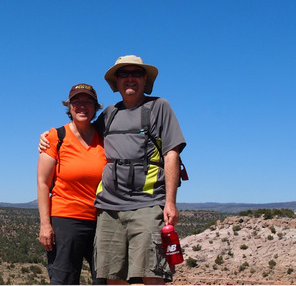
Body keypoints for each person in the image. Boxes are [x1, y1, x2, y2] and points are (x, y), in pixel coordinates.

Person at [39, 56, 186, 285]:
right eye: (123, 74)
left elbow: (171, 154)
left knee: (152, 273)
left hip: (146, 204)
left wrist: (170, 202)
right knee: (111, 276)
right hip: (109, 210)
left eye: (136, 73)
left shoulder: (159, 107)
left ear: (144, 78)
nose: (130, 78)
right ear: (115, 81)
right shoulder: (110, 114)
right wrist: (48, 136)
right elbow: (80, 129)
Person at [37, 84, 106, 284]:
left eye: (88, 102)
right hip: (66, 219)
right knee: (64, 279)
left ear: (95, 107)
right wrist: (45, 225)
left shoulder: (104, 138)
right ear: (69, 107)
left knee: (105, 278)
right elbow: (43, 183)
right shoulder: (56, 137)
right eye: (77, 102)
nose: (82, 106)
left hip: (102, 220)